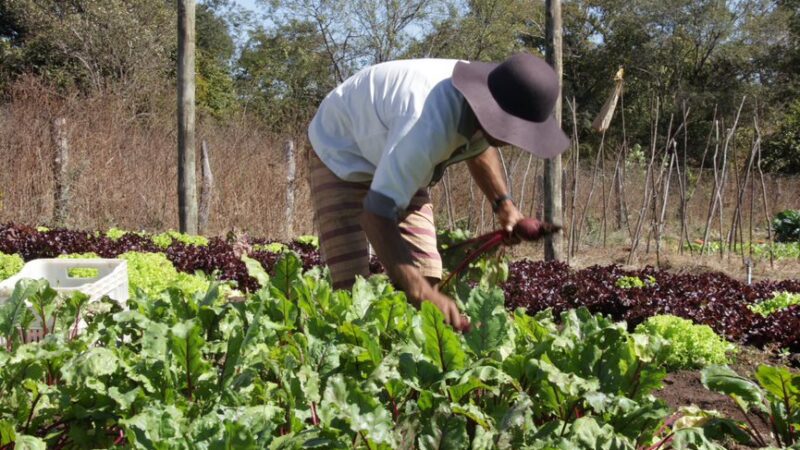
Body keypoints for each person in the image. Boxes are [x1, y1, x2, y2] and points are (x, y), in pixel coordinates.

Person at [307, 52, 570, 331]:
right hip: (340, 150)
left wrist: (503, 205)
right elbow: (376, 216)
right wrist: (421, 292)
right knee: (351, 288)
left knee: (426, 270)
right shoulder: (424, 125)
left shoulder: (485, 98)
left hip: (394, 147)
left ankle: (409, 355)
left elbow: (480, 146)